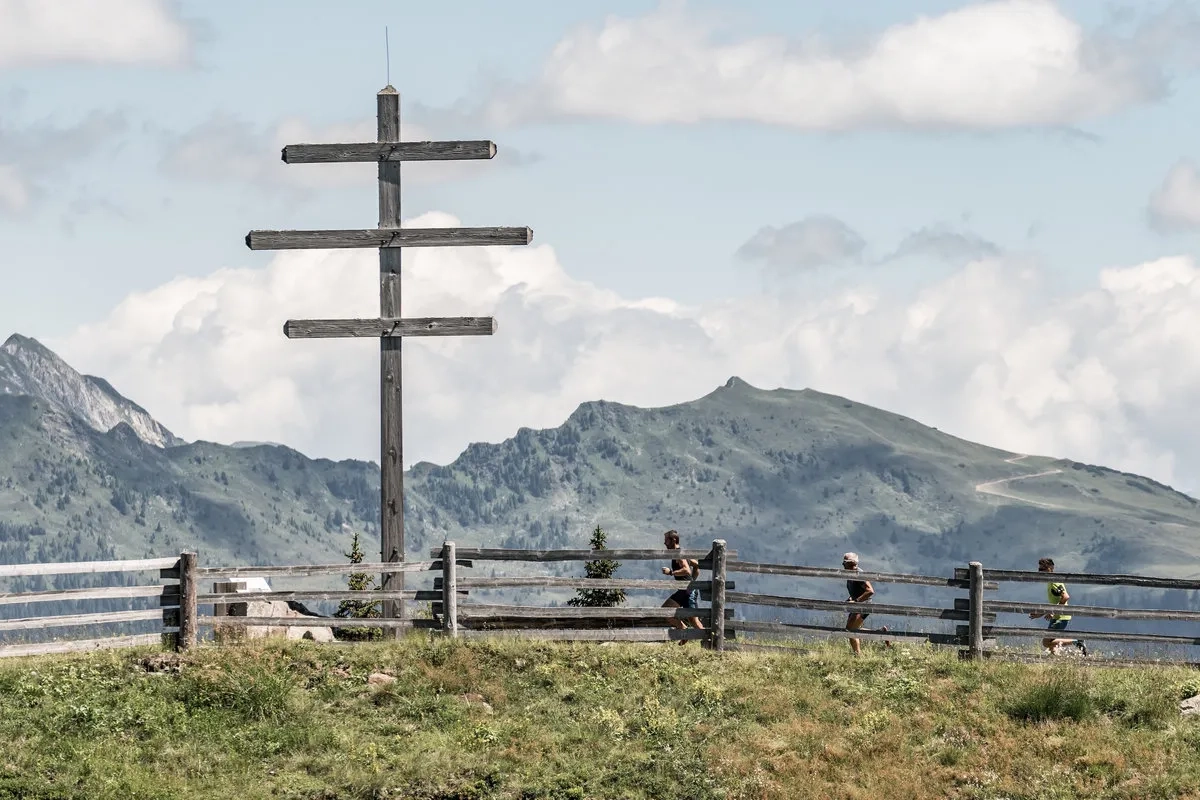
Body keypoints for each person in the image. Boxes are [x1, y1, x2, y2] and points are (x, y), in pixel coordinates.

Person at [1030, 557, 1087, 656]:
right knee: (1052, 644)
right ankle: (1055, 662)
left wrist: (1053, 612)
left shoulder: (1054, 582)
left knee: (1046, 642)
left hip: (1060, 617)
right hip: (1058, 616)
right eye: (1040, 569)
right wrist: (1040, 614)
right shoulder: (1051, 582)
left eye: (1044, 569)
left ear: (1051, 568)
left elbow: (1065, 597)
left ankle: (1077, 642)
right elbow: (1055, 602)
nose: (1041, 572)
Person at [661, 529, 704, 645]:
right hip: (685, 589)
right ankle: (684, 631)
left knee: (694, 621)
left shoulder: (679, 554)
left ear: (673, 540)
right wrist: (692, 581)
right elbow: (697, 566)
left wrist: (671, 572)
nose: (664, 543)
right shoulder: (679, 553)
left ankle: (712, 641)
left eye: (666, 540)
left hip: (687, 591)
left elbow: (686, 569)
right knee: (666, 611)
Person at [843, 552, 889, 655]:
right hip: (859, 604)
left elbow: (870, 591)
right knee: (855, 630)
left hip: (863, 605)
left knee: (850, 630)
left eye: (846, 563)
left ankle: (858, 655)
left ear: (852, 563)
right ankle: (880, 633)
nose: (844, 565)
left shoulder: (858, 574)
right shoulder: (851, 575)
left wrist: (856, 601)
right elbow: (857, 591)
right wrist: (851, 598)